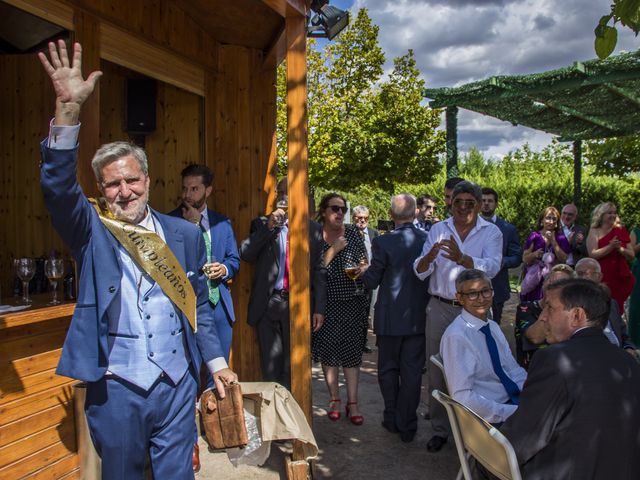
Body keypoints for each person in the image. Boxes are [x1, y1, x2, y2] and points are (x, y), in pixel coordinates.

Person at [37, 41, 237, 479]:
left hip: (177, 384)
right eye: (112, 185)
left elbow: (197, 305)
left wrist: (217, 364)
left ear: (147, 180)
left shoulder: (183, 234)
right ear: (101, 189)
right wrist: (69, 113)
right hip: (116, 388)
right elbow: (57, 189)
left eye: (131, 179)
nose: (124, 191)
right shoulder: (91, 230)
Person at [501, 278, 640, 479]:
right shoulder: (628, 363)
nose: (543, 317)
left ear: (576, 316)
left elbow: (521, 441)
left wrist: (480, 461)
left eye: (549, 308)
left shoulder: (554, 359)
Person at [413, 180, 502, 452]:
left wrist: (465, 259)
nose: (463, 208)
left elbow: (494, 267)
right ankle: (440, 429)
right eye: (458, 202)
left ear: (478, 205)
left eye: (469, 203)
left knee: (477, 368)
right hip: (440, 306)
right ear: (450, 203)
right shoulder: (438, 229)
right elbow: (419, 270)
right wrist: (428, 257)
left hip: (474, 308)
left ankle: (473, 431)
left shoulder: (491, 232)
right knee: (438, 370)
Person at [239, 178, 326, 389]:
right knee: (271, 368)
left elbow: (319, 270)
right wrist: (269, 227)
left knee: (294, 367)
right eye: (280, 192)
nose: (284, 197)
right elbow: (246, 253)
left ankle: (292, 418)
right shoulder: (262, 224)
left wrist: (319, 308)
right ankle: (275, 417)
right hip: (270, 304)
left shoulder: (313, 229)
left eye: (289, 192)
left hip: (298, 305)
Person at [361, 193, 429, 442]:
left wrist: (363, 272)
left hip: (390, 317)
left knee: (388, 369)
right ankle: (407, 423)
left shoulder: (384, 242)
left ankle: (391, 417)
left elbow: (372, 280)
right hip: (417, 316)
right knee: (412, 372)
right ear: (415, 213)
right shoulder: (426, 239)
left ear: (391, 215)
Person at [169, 164, 240, 362]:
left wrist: (224, 268)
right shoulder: (170, 222)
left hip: (220, 306)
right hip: (187, 305)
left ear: (207, 190)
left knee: (219, 371)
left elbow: (234, 259)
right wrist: (194, 224)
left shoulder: (223, 222)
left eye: (194, 189)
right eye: (185, 188)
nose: (187, 194)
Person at [441, 269, 526, 424]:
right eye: (472, 294)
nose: (481, 299)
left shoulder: (492, 327)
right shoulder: (458, 337)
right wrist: (509, 413)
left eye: (485, 291)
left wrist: (530, 392)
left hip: (512, 399)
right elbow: (462, 396)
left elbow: (512, 368)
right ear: (460, 298)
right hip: (491, 415)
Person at [312, 193, 368, 426]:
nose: (339, 213)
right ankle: (335, 399)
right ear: (324, 210)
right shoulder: (315, 234)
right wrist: (333, 249)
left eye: (343, 209)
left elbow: (364, 261)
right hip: (326, 304)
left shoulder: (353, 232)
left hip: (353, 301)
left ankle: (352, 402)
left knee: (352, 353)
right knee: (329, 353)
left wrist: (362, 269)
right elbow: (312, 269)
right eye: (335, 208)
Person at [514, 264, 575, 368]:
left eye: (562, 284)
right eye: (552, 281)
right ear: (543, 284)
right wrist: (551, 304)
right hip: (534, 369)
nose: (555, 287)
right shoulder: (526, 308)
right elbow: (535, 338)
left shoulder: (574, 312)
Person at [574, 257, 638, 356]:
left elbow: (624, 335)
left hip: (620, 355)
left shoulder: (611, 303)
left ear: (599, 277)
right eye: (579, 274)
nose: (582, 278)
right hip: (594, 356)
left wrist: (629, 348)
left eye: (585, 273)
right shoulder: (572, 306)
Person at [480, 187, 521, 324]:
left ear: (496, 204)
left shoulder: (508, 229)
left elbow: (516, 257)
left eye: (490, 201)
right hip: (474, 285)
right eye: (483, 200)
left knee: (494, 325)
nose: (486, 203)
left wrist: (502, 261)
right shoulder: (470, 226)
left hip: (497, 286)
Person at [586, 201, 635, 313]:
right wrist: (611, 246)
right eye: (609, 213)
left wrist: (620, 249)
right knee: (601, 306)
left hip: (619, 275)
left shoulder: (620, 230)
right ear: (601, 215)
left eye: (614, 213)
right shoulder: (594, 231)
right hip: (602, 275)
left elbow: (631, 255)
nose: (613, 215)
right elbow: (592, 254)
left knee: (617, 308)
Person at [520, 206, 570, 302]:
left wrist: (553, 241)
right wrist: (535, 254)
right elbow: (525, 258)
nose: (550, 221)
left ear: (557, 222)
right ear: (542, 220)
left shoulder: (561, 238)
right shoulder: (534, 236)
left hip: (552, 279)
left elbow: (564, 259)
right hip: (534, 278)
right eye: (548, 218)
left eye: (554, 219)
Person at [353, 204, 379, 354]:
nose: (362, 221)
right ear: (354, 217)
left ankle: (363, 342)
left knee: (367, 310)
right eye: (359, 217)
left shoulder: (373, 233)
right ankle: (353, 342)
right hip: (353, 277)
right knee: (355, 310)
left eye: (365, 218)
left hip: (370, 277)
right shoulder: (349, 232)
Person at [630, 225, 640, 345]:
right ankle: (635, 343)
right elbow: (631, 253)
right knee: (637, 305)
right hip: (639, 271)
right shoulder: (635, 231)